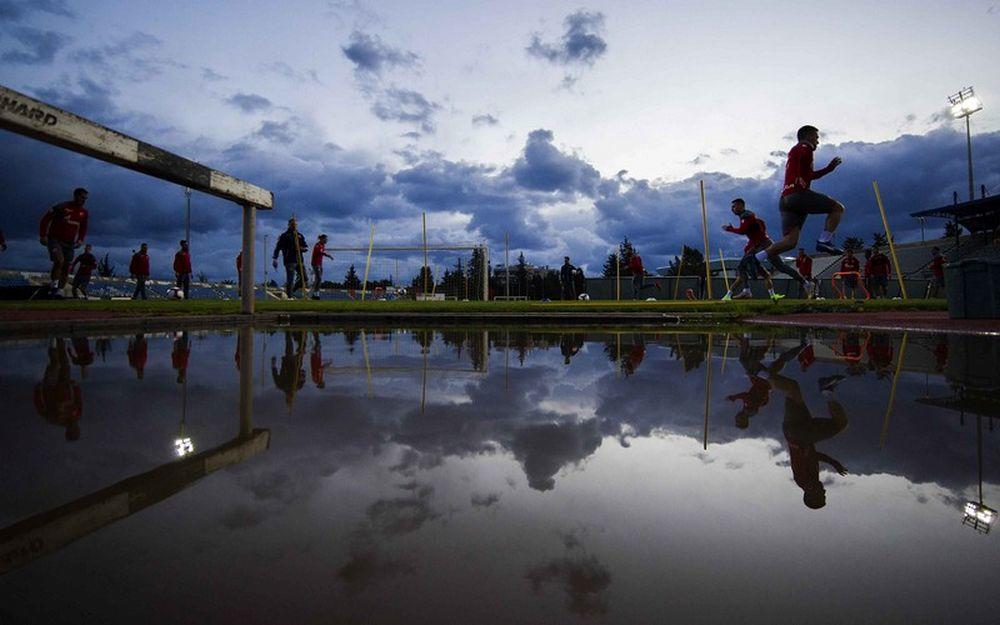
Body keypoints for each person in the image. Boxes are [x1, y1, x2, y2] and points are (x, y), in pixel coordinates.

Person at [765, 343, 849, 510]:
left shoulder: (807, 484)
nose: (824, 492)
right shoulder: (808, 481)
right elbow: (814, 456)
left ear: (813, 496)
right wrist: (834, 463)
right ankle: (762, 375)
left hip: (800, 436)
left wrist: (802, 449)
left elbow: (807, 458)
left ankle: (827, 391)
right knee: (793, 389)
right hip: (792, 430)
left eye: (822, 495)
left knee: (840, 424)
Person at [755, 126, 845, 272]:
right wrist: (799, 176)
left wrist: (829, 169)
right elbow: (804, 159)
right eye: (816, 137)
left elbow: (810, 175)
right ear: (808, 136)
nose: (818, 141)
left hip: (785, 200)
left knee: (789, 242)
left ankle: (755, 259)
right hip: (797, 195)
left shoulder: (794, 151)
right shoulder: (805, 147)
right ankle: (824, 240)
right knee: (837, 208)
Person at [720, 198, 790, 301]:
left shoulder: (747, 217)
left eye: (734, 206)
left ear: (741, 206)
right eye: (732, 207)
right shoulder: (750, 220)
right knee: (761, 274)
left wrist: (729, 229)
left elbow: (744, 231)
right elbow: (752, 234)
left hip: (759, 248)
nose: (732, 209)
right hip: (758, 248)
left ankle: (744, 291)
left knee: (742, 268)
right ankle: (771, 295)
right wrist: (748, 247)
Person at [39, 187, 90, 297]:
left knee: (67, 266)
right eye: (82, 197)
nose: (84, 200)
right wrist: (43, 235)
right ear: (75, 196)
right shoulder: (62, 206)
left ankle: (60, 290)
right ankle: (53, 286)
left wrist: (80, 239)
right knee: (59, 261)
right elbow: (45, 219)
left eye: (85, 198)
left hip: (70, 243)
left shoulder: (83, 213)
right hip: (55, 239)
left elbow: (83, 227)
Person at [34, 338, 82, 441]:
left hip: (50, 386)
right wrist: (75, 386)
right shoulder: (77, 416)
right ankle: (59, 338)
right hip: (65, 383)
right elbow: (78, 400)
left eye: (73, 430)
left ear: (68, 431)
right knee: (64, 361)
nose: (75, 427)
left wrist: (38, 391)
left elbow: (40, 408)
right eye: (76, 429)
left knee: (55, 364)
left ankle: (53, 340)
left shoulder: (54, 419)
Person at [272, 218, 308, 298]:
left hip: (299, 259)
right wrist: (275, 258)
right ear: (289, 225)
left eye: (295, 224)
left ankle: (292, 290)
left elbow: (305, 247)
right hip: (289, 259)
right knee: (290, 278)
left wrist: (302, 249)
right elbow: (278, 247)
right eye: (292, 224)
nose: (294, 226)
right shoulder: (285, 235)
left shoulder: (300, 235)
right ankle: (290, 296)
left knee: (304, 278)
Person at [309, 234, 334, 300]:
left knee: (318, 279)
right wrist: (328, 255)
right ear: (322, 239)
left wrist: (327, 255)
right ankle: (315, 294)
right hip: (315, 263)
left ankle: (313, 293)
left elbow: (322, 252)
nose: (326, 240)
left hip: (320, 264)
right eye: (326, 239)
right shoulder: (317, 245)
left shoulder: (323, 245)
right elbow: (320, 252)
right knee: (319, 279)